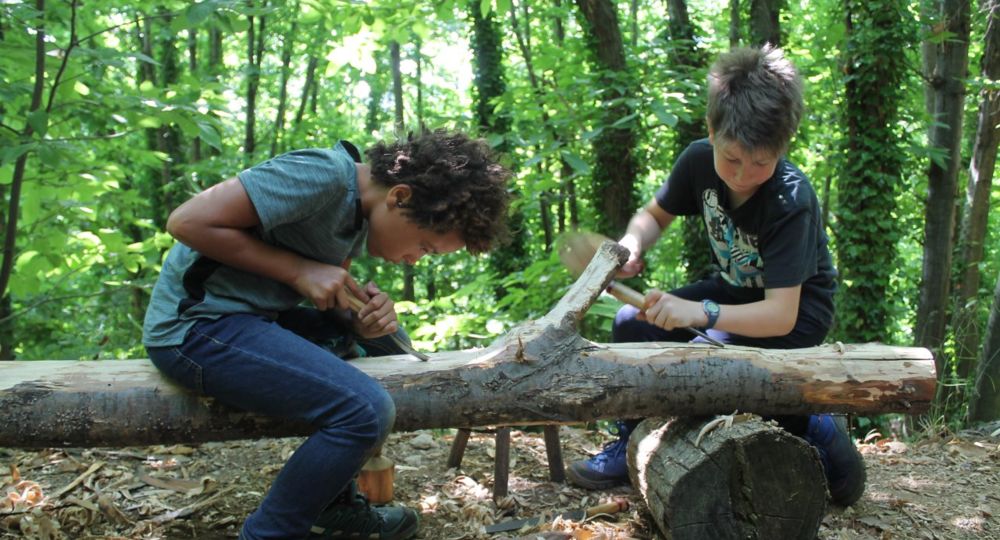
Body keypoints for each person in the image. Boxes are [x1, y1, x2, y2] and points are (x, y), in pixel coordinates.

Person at [142, 130, 512, 540]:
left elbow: (322, 289)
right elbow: (186, 221)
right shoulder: (321, 176)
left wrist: (357, 318)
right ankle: (270, 532)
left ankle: (331, 509)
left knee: (374, 342)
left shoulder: (356, 214)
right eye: (424, 247)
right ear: (400, 197)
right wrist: (299, 272)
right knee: (365, 410)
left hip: (253, 317)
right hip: (196, 328)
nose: (413, 261)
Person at [564, 45, 866, 507]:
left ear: (783, 146)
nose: (744, 176)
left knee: (705, 373)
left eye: (761, 163)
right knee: (630, 323)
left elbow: (782, 316)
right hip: (735, 294)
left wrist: (698, 313)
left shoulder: (791, 200)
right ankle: (628, 442)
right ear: (712, 131)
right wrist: (630, 246)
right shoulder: (697, 160)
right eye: (732, 159)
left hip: (793, 315)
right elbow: (653, 215)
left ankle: (810, 421)